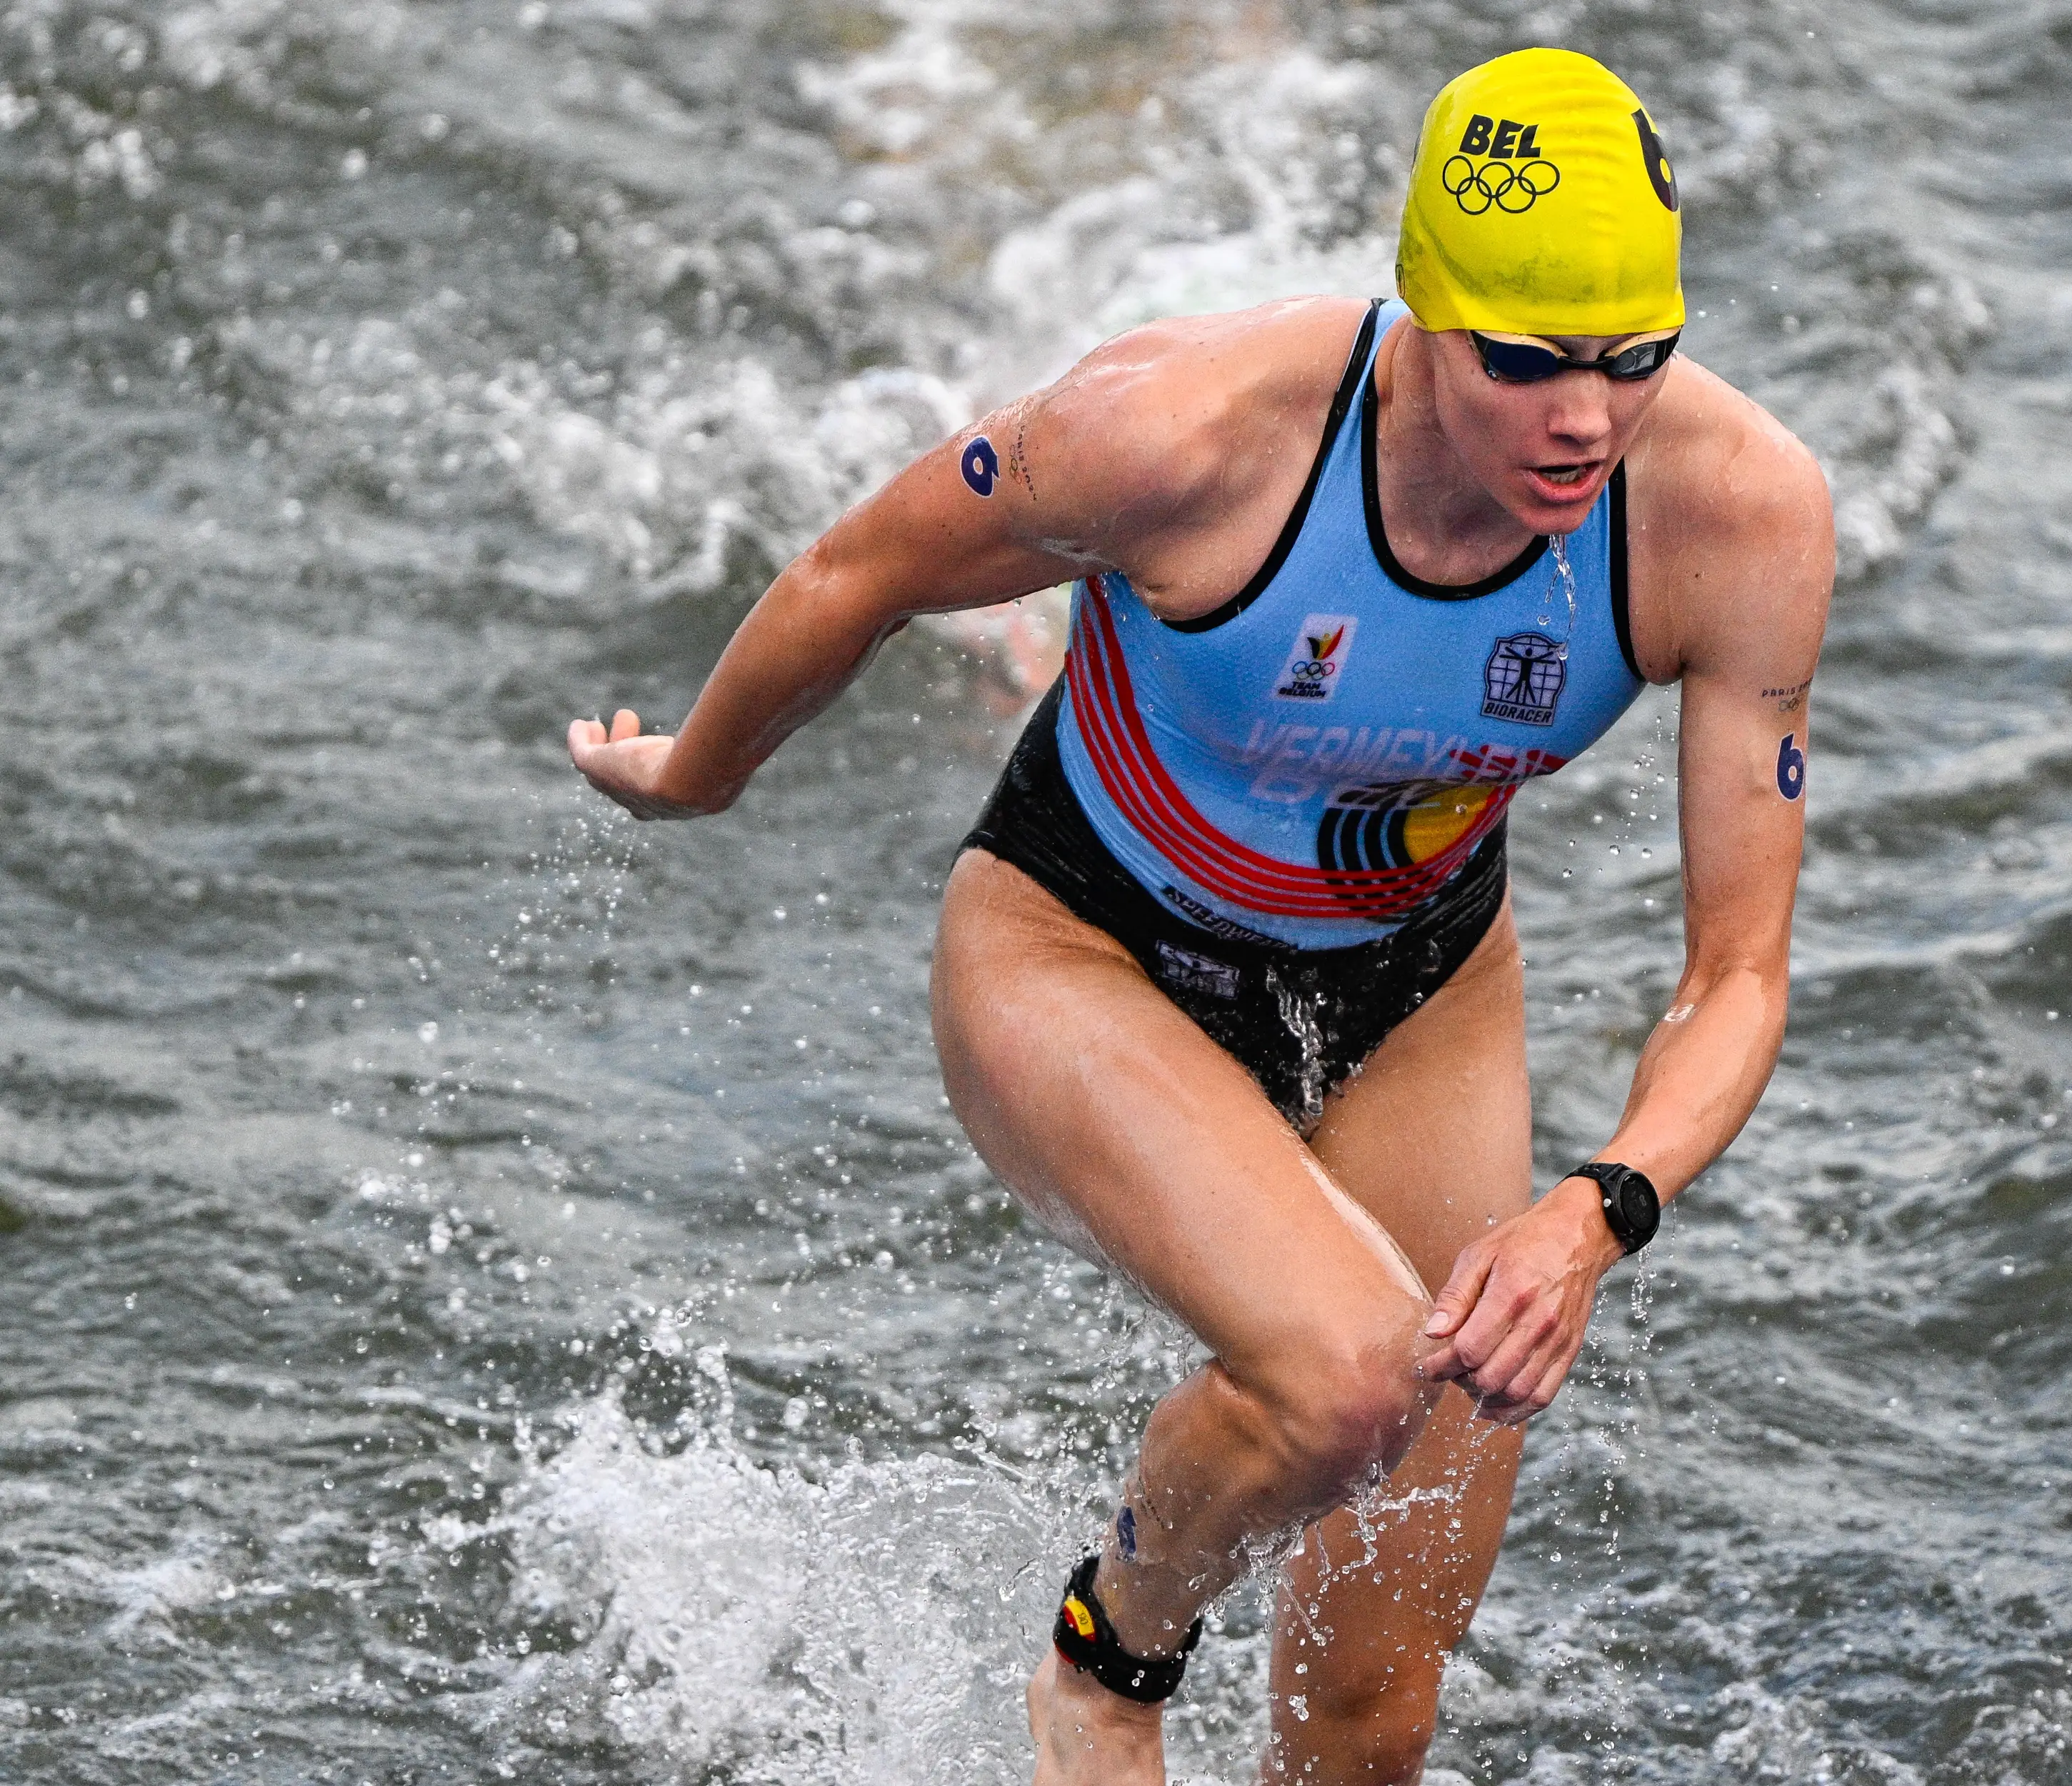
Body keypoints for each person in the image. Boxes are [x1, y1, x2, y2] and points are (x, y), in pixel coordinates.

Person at [567, 46, 1832, 1786]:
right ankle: (1105, 1664)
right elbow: (858, 572)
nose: (1583, 420)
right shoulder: (1182, 434)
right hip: (1078, 945)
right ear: (1420, 314)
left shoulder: (1738, 513)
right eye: (1527, 363)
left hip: (1419, 991)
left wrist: (1597, 1210)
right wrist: (697, 775)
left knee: (1373, 1706)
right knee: (1344, 1374)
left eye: (1632, 358)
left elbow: (1736, 973)